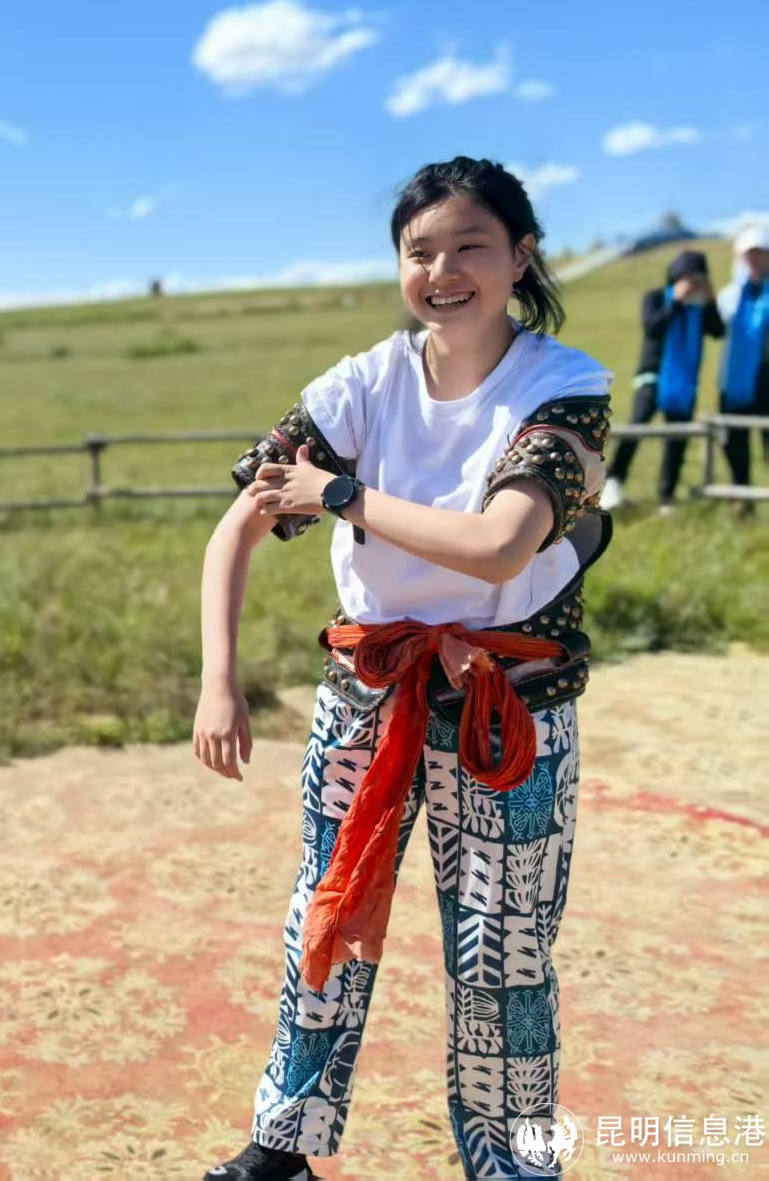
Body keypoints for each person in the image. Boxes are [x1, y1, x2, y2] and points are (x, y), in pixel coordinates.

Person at [194, 158, 612, 1181]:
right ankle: (283, 1144)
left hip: (505, 706)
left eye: (470, 246)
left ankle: (514, 1163)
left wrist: (342, 496)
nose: (441, 271)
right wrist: (217, 678)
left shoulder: (564, 387)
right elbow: (239, 521)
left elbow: (498, 547)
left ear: (520, 257)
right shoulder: (361, 384)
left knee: (504, 952)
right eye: (418, 251)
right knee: (326, 911)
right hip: (368, 692)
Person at [598, 250, 724, 513]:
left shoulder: (700, 308)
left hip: (684, 384)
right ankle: (614, 481)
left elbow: (718, 331)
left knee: (677, 438)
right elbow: (653, 327)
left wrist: (710, 300)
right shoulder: (656, 297)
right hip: (652, 377)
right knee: (637, 427)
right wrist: (676, 301)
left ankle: (667, 496)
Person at [716, 224, 769, 510]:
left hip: (766, 380)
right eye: (750, 255)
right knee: (735, 442)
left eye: (761, 254)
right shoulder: (729, 297)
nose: (756, 260)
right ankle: (743, 499)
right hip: (735, 384)